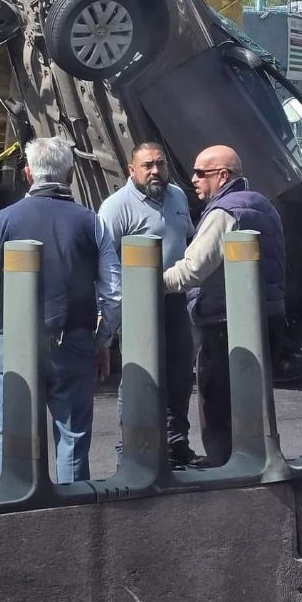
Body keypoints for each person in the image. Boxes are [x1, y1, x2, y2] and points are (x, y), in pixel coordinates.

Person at [0, 136, 119, 485]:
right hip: (73, 339)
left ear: (28, 173)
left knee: (11, 434)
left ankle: (7, 508)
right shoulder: (92, 222)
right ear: (70, 176)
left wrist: (5, 294)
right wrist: (102, 339)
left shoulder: (2, 220)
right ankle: (72, 518)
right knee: (73, 436)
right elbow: (114, 292)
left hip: (16, 340)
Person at [163, 145, 286, 466]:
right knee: (251, 398)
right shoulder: (261, 204)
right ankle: (254, 459)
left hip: (224, 320)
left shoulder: (224, 213)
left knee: (217, 400)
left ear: (223, 176)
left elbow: (193, 269)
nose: (193, 179)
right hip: (264, 315)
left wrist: (149, 283)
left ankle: (223, 466)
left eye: (200, 173)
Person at [98, 141, 202, 468]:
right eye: (148, 166)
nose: (156, 171)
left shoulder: (177, 197)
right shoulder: (116, 207)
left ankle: (175, 445)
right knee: (138, 376)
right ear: (132, 170)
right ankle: (129, 448)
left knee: (180, 373)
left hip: (174, 300)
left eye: (160, 164)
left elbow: (185, 241)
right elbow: (103, 261)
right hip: (137, 305)